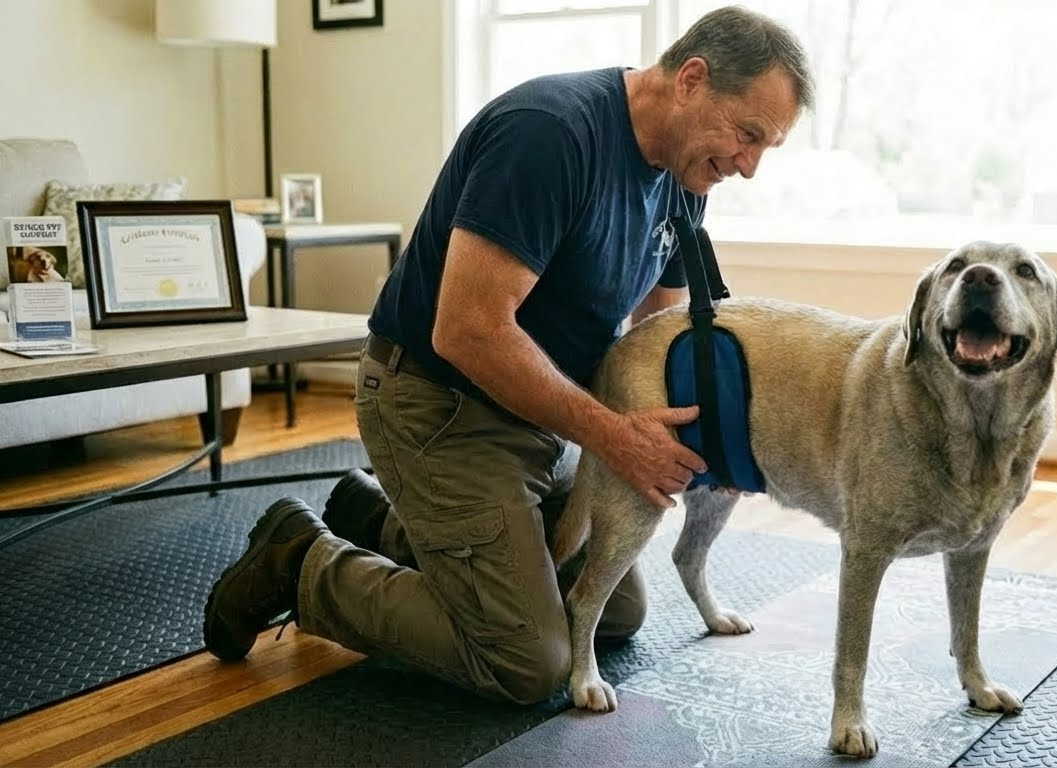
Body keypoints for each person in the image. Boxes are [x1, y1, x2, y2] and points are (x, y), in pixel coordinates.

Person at [202, 5, 814, 705]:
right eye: (747, 136)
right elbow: (466, 331)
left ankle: (377, 522)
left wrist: (713, 442)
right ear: (691, 80)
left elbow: (660, 332)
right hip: (437, 406)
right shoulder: (550, 133)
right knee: (526, 662)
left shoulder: (684, 173)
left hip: (543, 417)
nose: (749, 166)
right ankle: (301, 562)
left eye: (766, 147)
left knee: (614, 611)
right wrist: (613, 436)